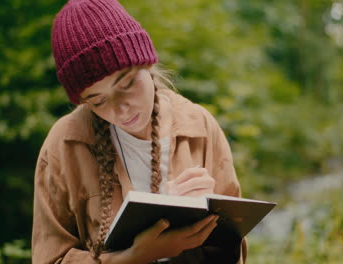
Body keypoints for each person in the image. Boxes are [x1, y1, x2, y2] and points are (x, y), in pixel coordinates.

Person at [32, 0, 247, 263]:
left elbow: (234, 251)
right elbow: (50, 258)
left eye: (128, 83)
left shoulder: (199, 126)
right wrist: (134, 256)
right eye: (98, 101)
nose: (121, 110)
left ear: (146, 64)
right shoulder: (64, 145)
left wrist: (211, 218)